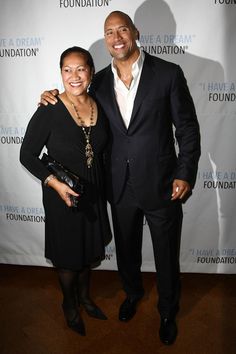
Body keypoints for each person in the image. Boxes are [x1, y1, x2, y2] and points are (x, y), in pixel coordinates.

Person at [39, 11, 201, 345]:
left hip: (162, 183)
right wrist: (48, 97)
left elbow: (186, 128)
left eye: (122, 29)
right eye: (109, 31)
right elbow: (75, 103)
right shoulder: (95, 82)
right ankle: (132, 293)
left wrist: (185, 173)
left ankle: (168, 311)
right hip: (117, 184)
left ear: (135, 33)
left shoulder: (168, 74)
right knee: (126, 249)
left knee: (166, 253)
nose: (116, 37)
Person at [20, 46, 112, 336]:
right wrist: (55, 184)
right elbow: (27, 155)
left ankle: (85, 298)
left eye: (80, 69)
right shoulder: (49, 109)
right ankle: (69, 305)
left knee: (87, 251)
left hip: (92, 192)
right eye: (67, 69)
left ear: (91, 72)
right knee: (68, 255)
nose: (74, 76)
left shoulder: (100, 103)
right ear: (60, 73)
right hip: (62, 194)